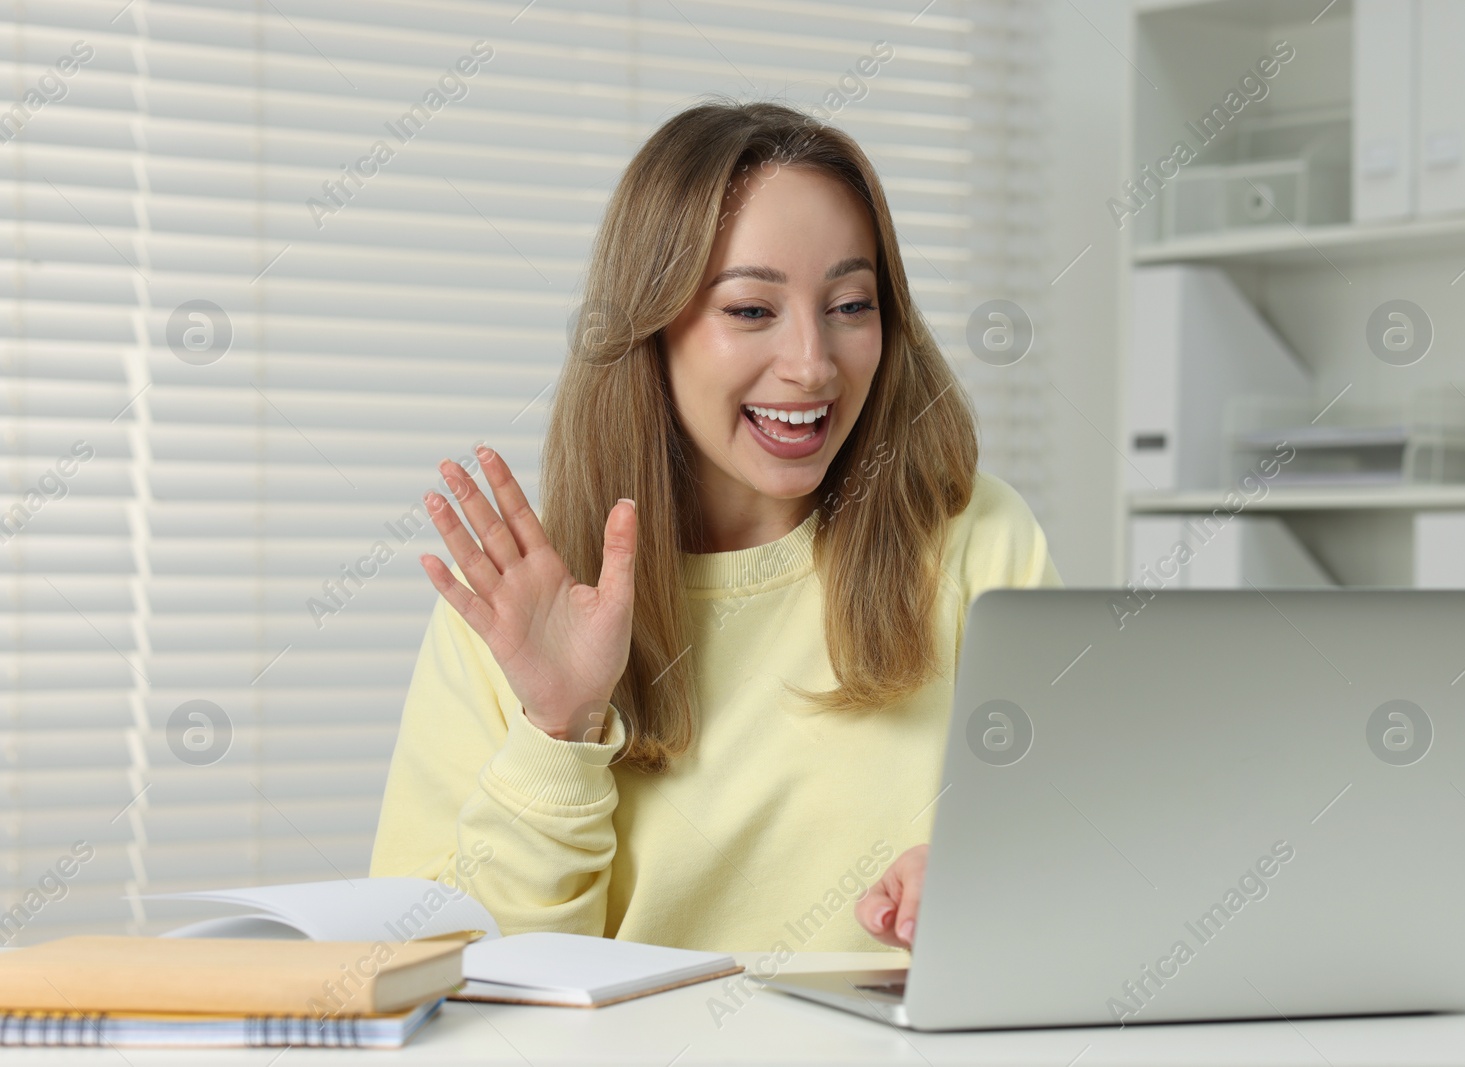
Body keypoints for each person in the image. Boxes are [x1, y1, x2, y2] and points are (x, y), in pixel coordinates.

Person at [370, 98, 1062, 954]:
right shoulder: (519, 600)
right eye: (750, 310)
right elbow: (437, 976)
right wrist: (560, 730)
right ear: (650, 331)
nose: (813, 363)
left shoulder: (977, 539)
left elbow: (1091, 863)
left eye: (851, 304)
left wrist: (995, 878)